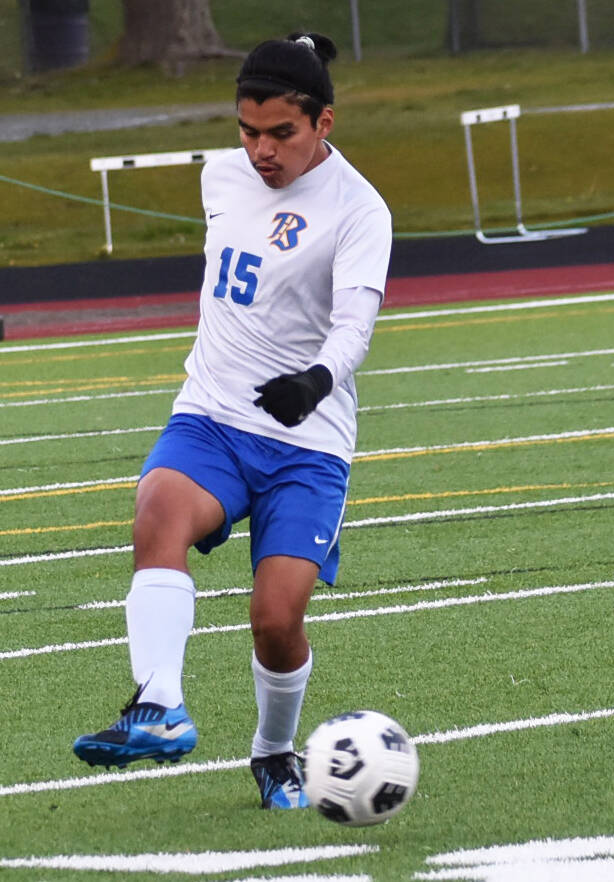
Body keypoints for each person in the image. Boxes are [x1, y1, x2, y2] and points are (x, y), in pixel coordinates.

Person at [73, 31, 392, 810]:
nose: (259, 150)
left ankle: (273, 753)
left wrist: (316, 378)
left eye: (280, 133)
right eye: (248, 131)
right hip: (211, 415)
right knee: (157, 512)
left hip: (305, 442)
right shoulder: (220, 175)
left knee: (275, 619)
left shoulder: (359, 208)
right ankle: (160, 705)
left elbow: (353, 323)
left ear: (324, 123)